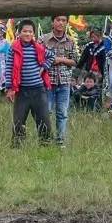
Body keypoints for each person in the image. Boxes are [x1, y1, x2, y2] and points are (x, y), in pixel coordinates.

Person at [7, 20, 53, 146]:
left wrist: (44, 67)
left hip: (38, 90)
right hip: (22, 91)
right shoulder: (13, 48)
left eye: (30, 32)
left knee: (43, 119)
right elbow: (9, 68)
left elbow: (51, 56)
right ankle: (18, 146)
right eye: (25, 31)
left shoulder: (38, 48)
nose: (27, 34)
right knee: (18, 120)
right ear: (19, 33)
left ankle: (45, 144)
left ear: (34, 34)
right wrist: (9, 88)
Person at [41, 15, 78, 146]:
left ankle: (60, 140)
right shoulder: (43, 39)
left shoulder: (70, 41)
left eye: (63, 20)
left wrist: (60, 60)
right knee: (46, 111)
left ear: (67, 23)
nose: (60, 23)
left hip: (64, 82)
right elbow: (37, 58)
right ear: (53, 22)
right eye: (58, 20)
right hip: (48, 82)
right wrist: (50, 61)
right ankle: (45, 139)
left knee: (62, 112)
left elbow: (75, 61)